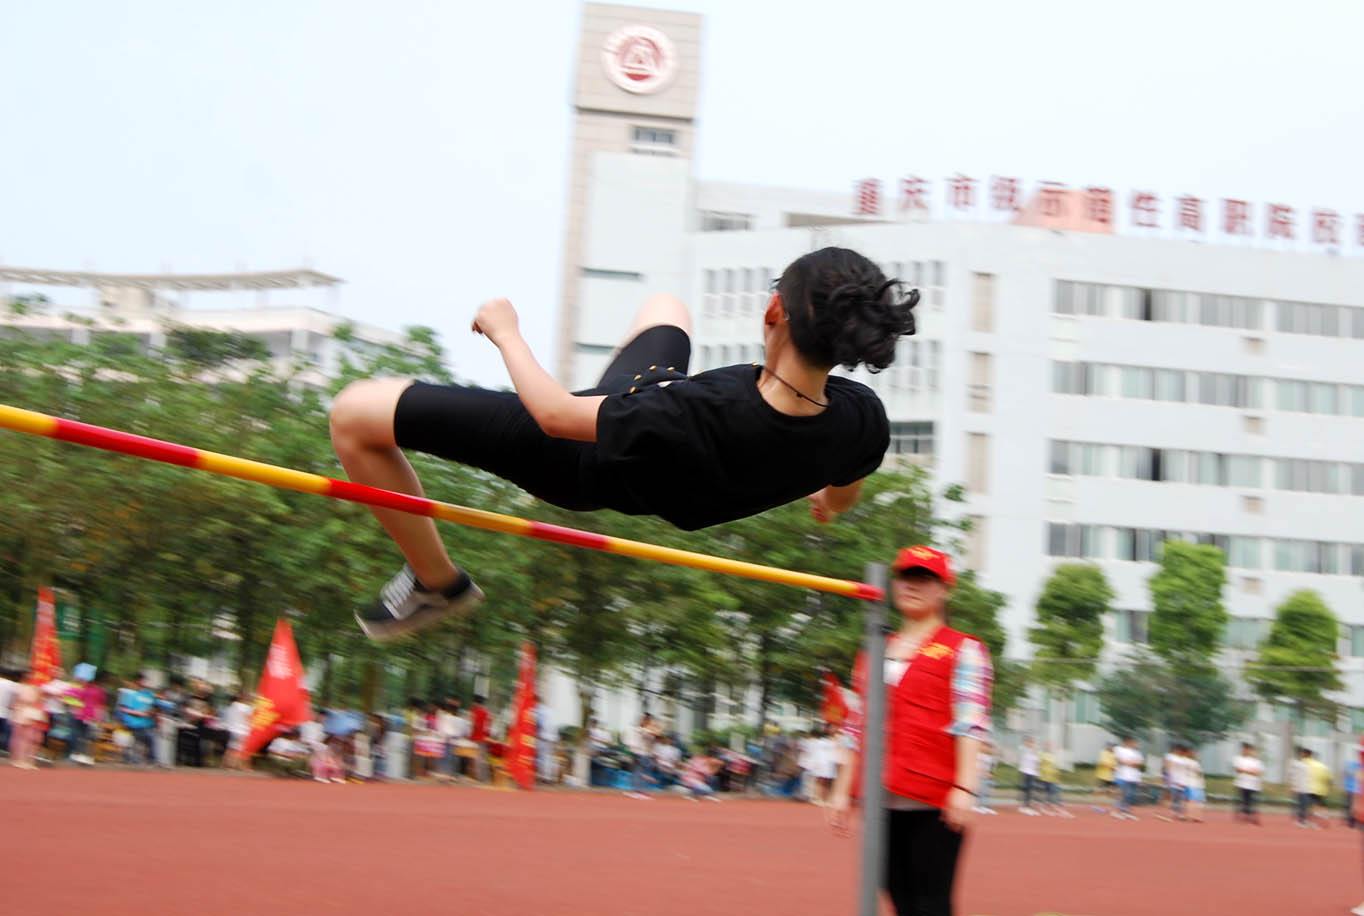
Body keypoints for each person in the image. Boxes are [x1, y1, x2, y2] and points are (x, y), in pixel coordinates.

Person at [330, 248, 914, 641]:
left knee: (354, 414)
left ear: (772, 311)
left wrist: (507, 333)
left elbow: (555, 415)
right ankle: (609, 404)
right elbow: (840, 497)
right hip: (648, 408)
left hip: (574, 459)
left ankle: (436, 581)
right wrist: (821, 499)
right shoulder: (861, 420)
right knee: (667, 308)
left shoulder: (699, 414)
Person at [830, 546, 993, 916]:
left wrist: (965, 787)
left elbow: (971, 721)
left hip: (933, 797)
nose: (912, 585)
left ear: (945, 589)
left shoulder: (964, 649)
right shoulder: (875, 649)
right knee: (897, 895)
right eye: (906, 576)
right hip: (880, 797)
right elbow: (856, 723)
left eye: (924, 578)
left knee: (931, 902)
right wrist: (841, 790)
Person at [9, 672, 47, 769]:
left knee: (31, 739)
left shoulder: (33, 688)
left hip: (30, 714)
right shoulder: (21, 688)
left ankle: (28, 760)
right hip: (22, 714)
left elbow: (38, 700)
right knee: (21, 739)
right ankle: (18, 759)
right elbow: (23, 700)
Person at [116, 674, 156, 765]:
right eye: (143, 681)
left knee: (149, 740)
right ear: (137, 681)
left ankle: (148, 760)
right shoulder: (129, 694)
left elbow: (153, 707)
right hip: (133, 723)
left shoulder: (148, 695)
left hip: (146, 723)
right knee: (137, 741)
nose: (145, 683)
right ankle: (132, 760)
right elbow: (122, 708)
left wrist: (151, 713)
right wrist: (126, 718)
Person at [69, 670, 106, 766]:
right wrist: (100, 718)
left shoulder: (85, 689)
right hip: (91, 715)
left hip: (83, 715)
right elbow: (101, 705)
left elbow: (78, 699)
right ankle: (86, 756)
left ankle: (81, 754)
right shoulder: (99, 691)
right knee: (88, 737)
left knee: (81, 736)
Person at [1113, 736, 1144, 821]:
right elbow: (1120, 760)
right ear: (1128, 742)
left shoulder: (1137, 753)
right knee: (1125, 794)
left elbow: (1140, 762)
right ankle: (1121, 811)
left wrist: (1131, 763)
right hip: (1124, 776)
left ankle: (1127, 811)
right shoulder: (1119, 749)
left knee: (1131, 795)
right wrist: (1131, 763)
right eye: (1134, 742)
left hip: (1134, 777)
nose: (1136, 744)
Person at [1232, 742, 1263, 825]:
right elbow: (1238, 769)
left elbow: (1258, 772)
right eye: (1245, 749)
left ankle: (1251, 817)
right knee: (1244, 800)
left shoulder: (1255, 761)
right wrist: (1250, 771)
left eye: (1249, 749)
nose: (1247, 751)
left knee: (1253, 801)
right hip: (1242, 783)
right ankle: (1245, 816)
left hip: (1254, 785)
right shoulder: (1238, 759)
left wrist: (1246, 771)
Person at [1038, 744, 1072, 818]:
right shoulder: (1043, 755)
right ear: (1046, 748)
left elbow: (1055, 767)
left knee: (1054, 791)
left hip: (1053, 777)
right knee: (1049, 791)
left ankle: (1054, 803)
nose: (1051, 748)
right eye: (1049, 747)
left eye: (1051, 747)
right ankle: (1049, 803)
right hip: (1046, 777)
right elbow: (1040, 764)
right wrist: (1041, 773)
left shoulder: (1053, 756)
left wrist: (1057, 776)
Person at [222, 694, 253, 769]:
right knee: (237, 749)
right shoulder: (246, 708)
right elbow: (249, 718)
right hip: (241, 730)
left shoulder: (232, 706)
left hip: (232, 729)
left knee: (230, 747)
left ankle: (225, 764)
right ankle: (233, 765)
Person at [1304, 748, 1332, 828]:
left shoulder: (1307, 764)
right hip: (1322, 790)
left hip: (1310, 788)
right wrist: (1328, 789)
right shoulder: (1324, 767)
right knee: (1320, 805)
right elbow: (1329, 779)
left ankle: (1314, 821)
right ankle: (1325, 817)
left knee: (1312, 806)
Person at [1181, 746, 1206, 823]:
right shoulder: (1186, 761)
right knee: (1191, 801)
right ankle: (1190, 816)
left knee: (1196, 801)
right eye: (1192, 753)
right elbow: (1198, 772)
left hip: (1197, 784)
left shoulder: (1195, 762)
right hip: (1191, 783)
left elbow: (1199, 773)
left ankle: (1196, 816)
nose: (1194, 754)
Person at [1163, 743, 1188, 821]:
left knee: (1180, 797)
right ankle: (1173, 812)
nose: (1180, 751)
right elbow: (1168, 768)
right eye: (1179, 749)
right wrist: (1168, 779)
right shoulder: (1170, 756)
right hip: (1173, 780)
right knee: (1174, 796)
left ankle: (1179, 813)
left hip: (1182, 780)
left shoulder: (1183, 758)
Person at [1018, 737, 1041, 816]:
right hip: (1025, 771)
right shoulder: (1024, 750)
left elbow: (1037, 762)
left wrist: (1037, 772)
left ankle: (1027, 805)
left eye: (1032, 742)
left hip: (1032, 773)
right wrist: (1027, 744)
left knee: (1030, 789)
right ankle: (1025, 805)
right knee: (1026, 788)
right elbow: (1021, 748)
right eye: (1029, 742)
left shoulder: (1035, 752)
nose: (1031, 744)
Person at [974, 743, 997, 815]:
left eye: (988, 747)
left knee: (986, 792)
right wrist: (982, 773)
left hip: (986, 776)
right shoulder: (978, 755)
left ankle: (985, 806)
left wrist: (990, 774)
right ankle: (977, 806)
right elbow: (976, 767)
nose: (987, 748)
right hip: (979, 776)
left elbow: (990, 768)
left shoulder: (989, 757)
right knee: (979, 791)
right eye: (985, 746)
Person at [1094, 743, 1117, 807]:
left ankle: (1104, 802)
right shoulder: (1104, 753)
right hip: (1103, 775)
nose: (1111, 748)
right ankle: (1095, 802)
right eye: (1110, 746)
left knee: (1111, 790)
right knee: (1099, 789)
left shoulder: (1113, 754)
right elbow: (1103, 763)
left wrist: (1115, 768)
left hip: (1110, 776)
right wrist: (1112, 767)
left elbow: (1114, 764)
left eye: (1112, 747)